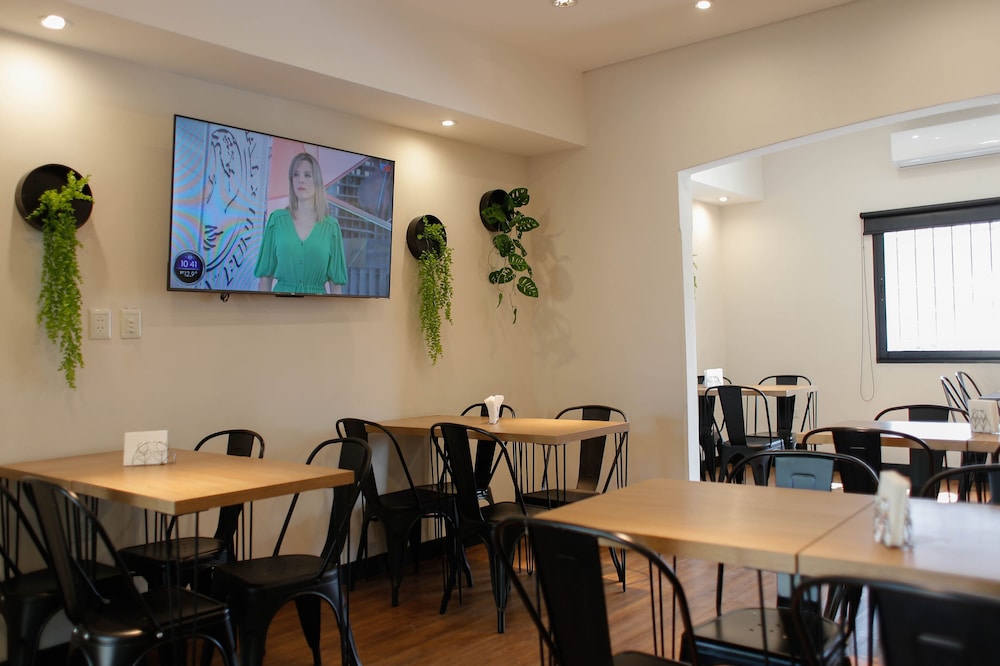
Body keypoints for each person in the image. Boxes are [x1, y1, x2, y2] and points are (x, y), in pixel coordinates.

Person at [255, 152, 348, 294]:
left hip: (317, 305)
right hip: (280, 304)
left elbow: (336, 286)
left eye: (307, 175)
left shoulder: (331, 228)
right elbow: (265, 279)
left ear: (317, 181)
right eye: (296, 175)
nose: (301, 180)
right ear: (291, 181)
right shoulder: (277, 221)